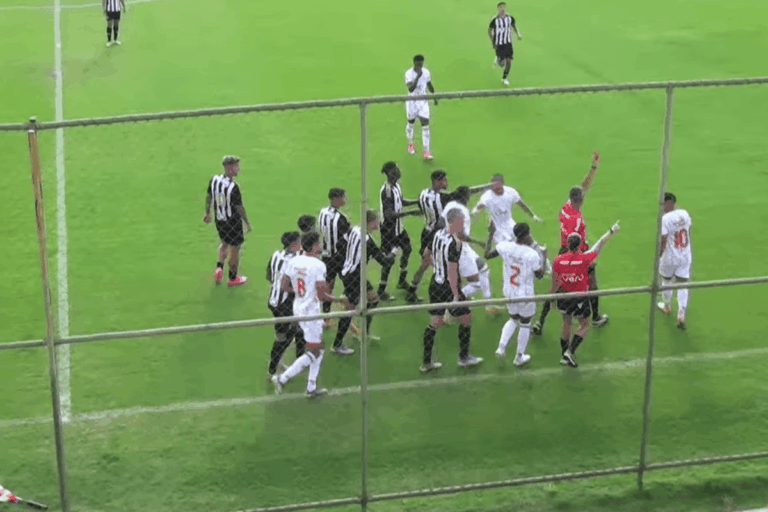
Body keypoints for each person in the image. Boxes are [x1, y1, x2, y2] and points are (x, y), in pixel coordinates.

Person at [533, 151, 607, 335]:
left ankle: (540, 323)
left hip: (562, 251)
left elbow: (584, 186)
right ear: (578, 200)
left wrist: (593, 168)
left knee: (555, 288)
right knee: (592, 285)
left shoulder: (565, 208)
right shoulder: (577, 220)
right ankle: (596, 317)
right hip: (576, 253)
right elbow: (576, 242)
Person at [273, 232, 350, 397]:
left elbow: (284, 285)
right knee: (315, 351)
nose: (320, 245)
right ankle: (282, 378)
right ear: (314, 246)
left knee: (318, 349)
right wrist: (339, 300)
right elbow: (322, 296)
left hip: (298, 308)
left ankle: (311, 387)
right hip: (311, 313)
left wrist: (301, 292)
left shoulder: (294, 261)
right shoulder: (318, 265)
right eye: (318, 243)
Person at [407, 170, 491, 302]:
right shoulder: (444, 199)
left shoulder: (423, 193)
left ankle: (412, 289)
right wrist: (485, 187)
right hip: (440, 234)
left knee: (425, 265)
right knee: (444, 269)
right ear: (436, 181)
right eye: (443, 180)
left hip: (427, 232)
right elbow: (461, 194)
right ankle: (454, 296)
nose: (446, 183)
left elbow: (420, 207)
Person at [421, 208, 484, 372]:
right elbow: (452, 271)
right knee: (466, 318)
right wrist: (456, 295)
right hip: (448, 287)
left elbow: (426, 255)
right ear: (454, 221)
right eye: (461, 221)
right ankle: (464, 358)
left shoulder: (437, 234)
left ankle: (426, 363)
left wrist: (436, 269)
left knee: (434, 323)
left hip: (435, 284)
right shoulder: (454, 243)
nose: (463, 224)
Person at [551, 222, 620, 368]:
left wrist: (552, 297)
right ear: (580, 245)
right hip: (579, 297)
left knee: (566, 323)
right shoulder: (584, 259)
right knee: (584, 324)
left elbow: (555, 281)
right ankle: (570, 352)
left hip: (564, 296)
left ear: (568, 244)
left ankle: (564, 354)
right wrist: (611, 231)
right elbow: (599, 244)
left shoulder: (558, 260)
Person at [332, 210, 396, 354]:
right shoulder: (367, 241)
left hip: (352, 273)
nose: (378, 224)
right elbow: (384, 262)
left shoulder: (354, 230)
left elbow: (340, 244)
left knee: (373, 299)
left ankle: (364, 332)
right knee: (349, 310)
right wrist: (393, 252)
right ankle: (337, 344)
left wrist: (349, 260)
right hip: (354, 277)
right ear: (370, 222)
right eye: (376, 221)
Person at [485, 223, 545, 366]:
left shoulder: (505, 246)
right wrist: (544, 255)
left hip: (510, 291)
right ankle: (519, 356)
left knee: (513, 319)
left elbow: (487, 255)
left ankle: (501, 347)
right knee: (525, 322)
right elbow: (539, 275)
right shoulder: (531, 254)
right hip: (525, 294)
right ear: (527, 235)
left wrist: (490, 235)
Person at [442, 186, 498, 315]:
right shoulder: (463, 211)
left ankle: (488, 305)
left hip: (449, 244)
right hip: (459, 249)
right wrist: (480, 243)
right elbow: (462, 235)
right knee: (476, 283)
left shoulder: (450, 205)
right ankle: (450, 309)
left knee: (483, 269)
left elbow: (441, 223)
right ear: (465, 198)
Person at [203, 155, 251, 287]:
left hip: (219, 220)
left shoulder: (214, 180)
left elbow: (209, 196)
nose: (238, 169)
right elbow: (239, 207)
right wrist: (246, 222)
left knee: (224, 243)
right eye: (236, 166)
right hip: (233, 221)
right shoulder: (233, 187)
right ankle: (233, 277)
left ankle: (219, 268)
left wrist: (207, 213)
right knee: (235, 249)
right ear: (229, 167)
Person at [378, 161, 421, 300]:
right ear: (389, 173)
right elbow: (389, 214)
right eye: (395, 170)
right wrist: (410, 213)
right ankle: (381, 290)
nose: (398, 171)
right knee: (389, 260)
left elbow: (401, 201)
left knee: (407, 249)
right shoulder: (387, 191)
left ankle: (402, 281)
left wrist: (417, 202)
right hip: (389, 231)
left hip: (399, 228)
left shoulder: (396, 186)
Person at [266, 232, 306, 378]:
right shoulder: (295, 261)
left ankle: (290, 361)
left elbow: (269, 276)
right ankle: (272, 370)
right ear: (293, 244)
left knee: (296, 329)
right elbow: (286, 287)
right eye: (299, 242)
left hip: (273, 301)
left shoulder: (276, 255)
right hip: (285, 304)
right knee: (285, 336)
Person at [473, 174, 541, 246]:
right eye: (492, 183)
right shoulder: (487, 196)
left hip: (509, 222)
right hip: (497, 227)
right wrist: (474, 211)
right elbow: (479, 206)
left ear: (502, 183)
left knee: (524, 238)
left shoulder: (510, 192)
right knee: (506, 247)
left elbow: (521, 205)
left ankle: (538, 249)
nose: (492, 186)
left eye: (495, 183)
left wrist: (533, 216)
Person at [658, 192, 692, 330]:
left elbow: (663, 239)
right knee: (682, 284)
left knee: (666, 281)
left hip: (670, 256)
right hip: (685, 254)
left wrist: (659, 255)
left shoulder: (665, 219)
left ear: (667, 203)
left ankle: (667, 307)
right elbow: (688, 230)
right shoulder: (684, 213)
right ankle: (681, 315)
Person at [318, 188, 352, 318]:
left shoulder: (322, 212)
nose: (345, 199)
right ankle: (349, 313)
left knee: (328, 285)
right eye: (343, 197)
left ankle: (326, 315)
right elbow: (346, 239)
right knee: (350, 284)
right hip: (340, 257)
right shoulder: (341, 219)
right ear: (336, 199)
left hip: (326, 256)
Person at [404, 54, 438, 160]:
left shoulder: (426, 72)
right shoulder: (409, 73)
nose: (420, 66)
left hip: (423, 101)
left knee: (425, 124)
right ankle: (410, 144)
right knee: (411, 122)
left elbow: (429, 84)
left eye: (421, 64)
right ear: (414, 63)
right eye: (418, 64)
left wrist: (434, 97)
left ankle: (426, 151)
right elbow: (411, 89)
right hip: (412, 101)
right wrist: (418, 76)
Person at [488, 2, 522, 85]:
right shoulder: (495, 19)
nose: (502, 8)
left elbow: (514, 25)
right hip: (499, 44)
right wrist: (492, 40)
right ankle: (498, 59)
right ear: (498, 8)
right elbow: (489, 30)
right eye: (501, 7)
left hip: (508, 43)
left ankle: (504, 78)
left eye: (503, 7)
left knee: (509, 61)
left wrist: (518, 34)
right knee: (501, 64)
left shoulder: (510, 18)